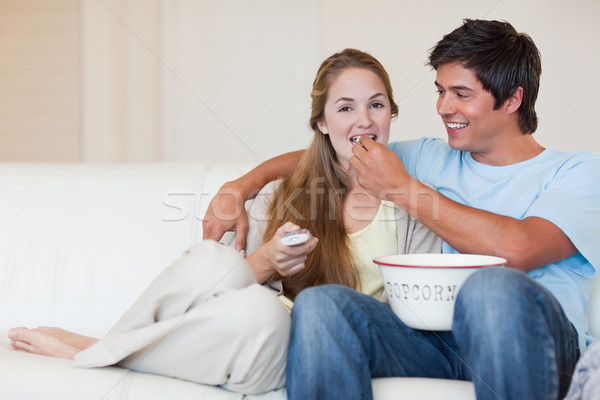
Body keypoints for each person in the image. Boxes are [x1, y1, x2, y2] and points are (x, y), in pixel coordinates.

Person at [202, 19, 600, 400]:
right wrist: (239, 186)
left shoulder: (579, 172)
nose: (444, 108)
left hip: (536, 340)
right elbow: (336, 153)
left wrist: (402, 188)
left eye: (461, 94)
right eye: (440, 91)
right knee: (322, 306)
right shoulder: (432, 156)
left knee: (489, 289)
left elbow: (519, 249)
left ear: (514, 98)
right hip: (440, 342)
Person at [8, 48, 439, 395]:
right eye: (346, 108)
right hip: (255, 324)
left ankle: (92, 348)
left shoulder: (413, 202)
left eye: (376, 105)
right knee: (211, 265)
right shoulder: (280, 194)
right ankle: (110, 345)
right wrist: (269, 260)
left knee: (259, 318)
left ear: (390, 115)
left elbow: (406, 316)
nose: (364, 120)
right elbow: (227, 295)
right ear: (322, 123)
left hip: (302, 348)